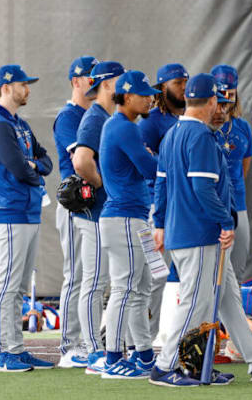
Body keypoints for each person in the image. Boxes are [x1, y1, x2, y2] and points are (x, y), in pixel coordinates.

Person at [150, 73, 252, 387]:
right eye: (219, 100)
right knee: (195, 303)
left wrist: (159, 223)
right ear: (212, 100)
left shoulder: (172, 134)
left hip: (185, 230)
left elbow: (161, 186)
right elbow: (204, 189)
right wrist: (226, 222)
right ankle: (165, 366)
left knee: (228, 300)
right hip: (200, 233)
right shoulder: (200, 136)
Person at [0, 64, 54, 371]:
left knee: (16, 286)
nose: (27, 89)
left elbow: (46, 160)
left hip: (25, 210)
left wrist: (34, 167)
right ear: (6, 87)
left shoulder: (19, 123)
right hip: (9, 210)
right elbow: (19, 168)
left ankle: (15, 348)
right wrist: (35, 170)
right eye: (23, 84)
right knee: (8, 283)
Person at [99, 71, 160, 378]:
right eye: (144, 93)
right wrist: (158, 158)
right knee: (126, 289)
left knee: (140, 289)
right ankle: (112, 359)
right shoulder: (123, 127)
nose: (150, 97)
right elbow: (150, 167)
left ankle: (145, 355)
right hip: (123, 217)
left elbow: (148, 165)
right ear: (126, 96)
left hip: (132, 216)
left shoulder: (124, 126)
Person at [129, 63, 188, 351]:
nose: (184, 87)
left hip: (185, 207)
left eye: (187, 81)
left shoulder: (189, 118)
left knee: (185, 276)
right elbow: (145, 167)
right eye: (178, 82)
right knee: (153, 275)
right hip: (158, 208)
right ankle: (141, 340)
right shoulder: (150, 122)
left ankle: (182, 338)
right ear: (163, 87)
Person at [72, 60, 125, 374]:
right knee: (94, 281)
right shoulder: (95, 117)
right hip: (94, 212)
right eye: (120, 80)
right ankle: (93, 350)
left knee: (104, 281)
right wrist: (104, 184)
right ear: (107, 84)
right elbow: (81, 161)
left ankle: (102, 346)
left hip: (106, 211)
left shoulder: (108, 116)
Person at [53, 55, 98, 368]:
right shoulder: (70, 116)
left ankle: (89, 339)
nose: (93, 82)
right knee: (77, 275)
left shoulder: (95, 114)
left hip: (94, 204)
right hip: (74, 204)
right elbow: (82, 160)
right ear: (76, 81)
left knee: (93, 277)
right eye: (88, 77)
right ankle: (69, 344)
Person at [210, 64, 252, 284]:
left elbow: (244, 167)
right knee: (212, 269)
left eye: (230, 93)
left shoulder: (243, 127)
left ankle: (230, 317)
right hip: (211, 204)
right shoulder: (203, 127)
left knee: (237, 267)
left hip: (237, 203)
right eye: (220, 93)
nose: (225, 98)